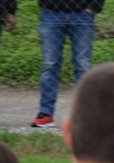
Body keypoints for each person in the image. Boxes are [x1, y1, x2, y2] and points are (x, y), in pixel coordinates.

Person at [31, 0, 103, 129]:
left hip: (82, 14)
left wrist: (94, 6)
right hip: (51, 13)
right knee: (50, 65)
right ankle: (46, 114)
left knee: (82, 65)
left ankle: (85, 115)